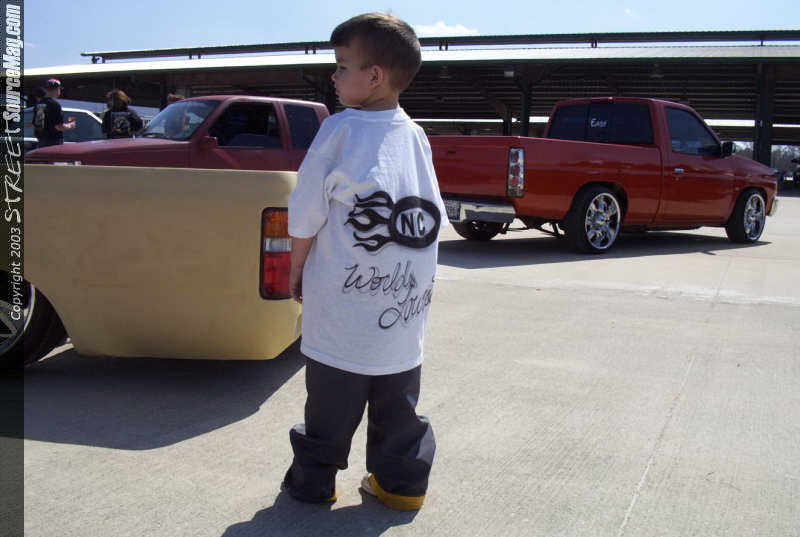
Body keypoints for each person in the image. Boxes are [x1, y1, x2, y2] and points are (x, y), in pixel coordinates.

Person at [282, 13, 448, 511]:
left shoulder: (339, 129)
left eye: (341, 65)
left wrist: (296, 268)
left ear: (374, 75)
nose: (333, 77)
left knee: (330, 404)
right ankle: (401, 485)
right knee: (399, 404)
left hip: (344, 309)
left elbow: (305, 212)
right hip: (403, 311)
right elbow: (431, 214)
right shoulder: (415, 135)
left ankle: (314, 483)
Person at [32, 78, 75, 147]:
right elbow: (59, 126)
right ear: (57, 90)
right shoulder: (54, 105)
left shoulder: (39, 105)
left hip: (41, 142)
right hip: (54, 143)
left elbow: (37, 125)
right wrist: (71, 125)